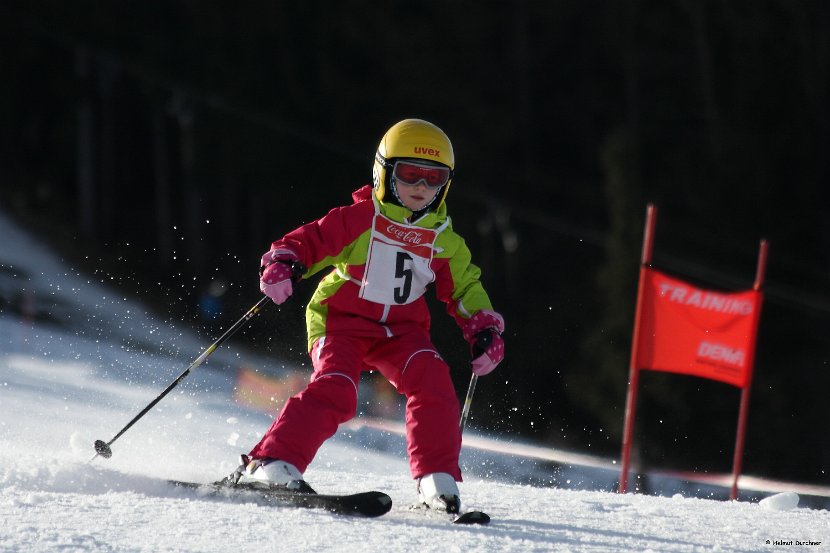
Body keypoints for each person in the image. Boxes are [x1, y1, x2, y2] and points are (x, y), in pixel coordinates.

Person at [232, 118, 505, 513]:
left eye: (434, 178)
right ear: (385, 173)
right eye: (410, 175)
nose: (421, 188)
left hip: (400, 330)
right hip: (340, 319)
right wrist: (285, 261)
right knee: (338, 387)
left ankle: (437, 478)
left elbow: (464, 288)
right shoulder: (362, 220)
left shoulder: (444, 240)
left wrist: (482, 326)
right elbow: (311, 241)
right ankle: (271, 461)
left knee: (432, 378)